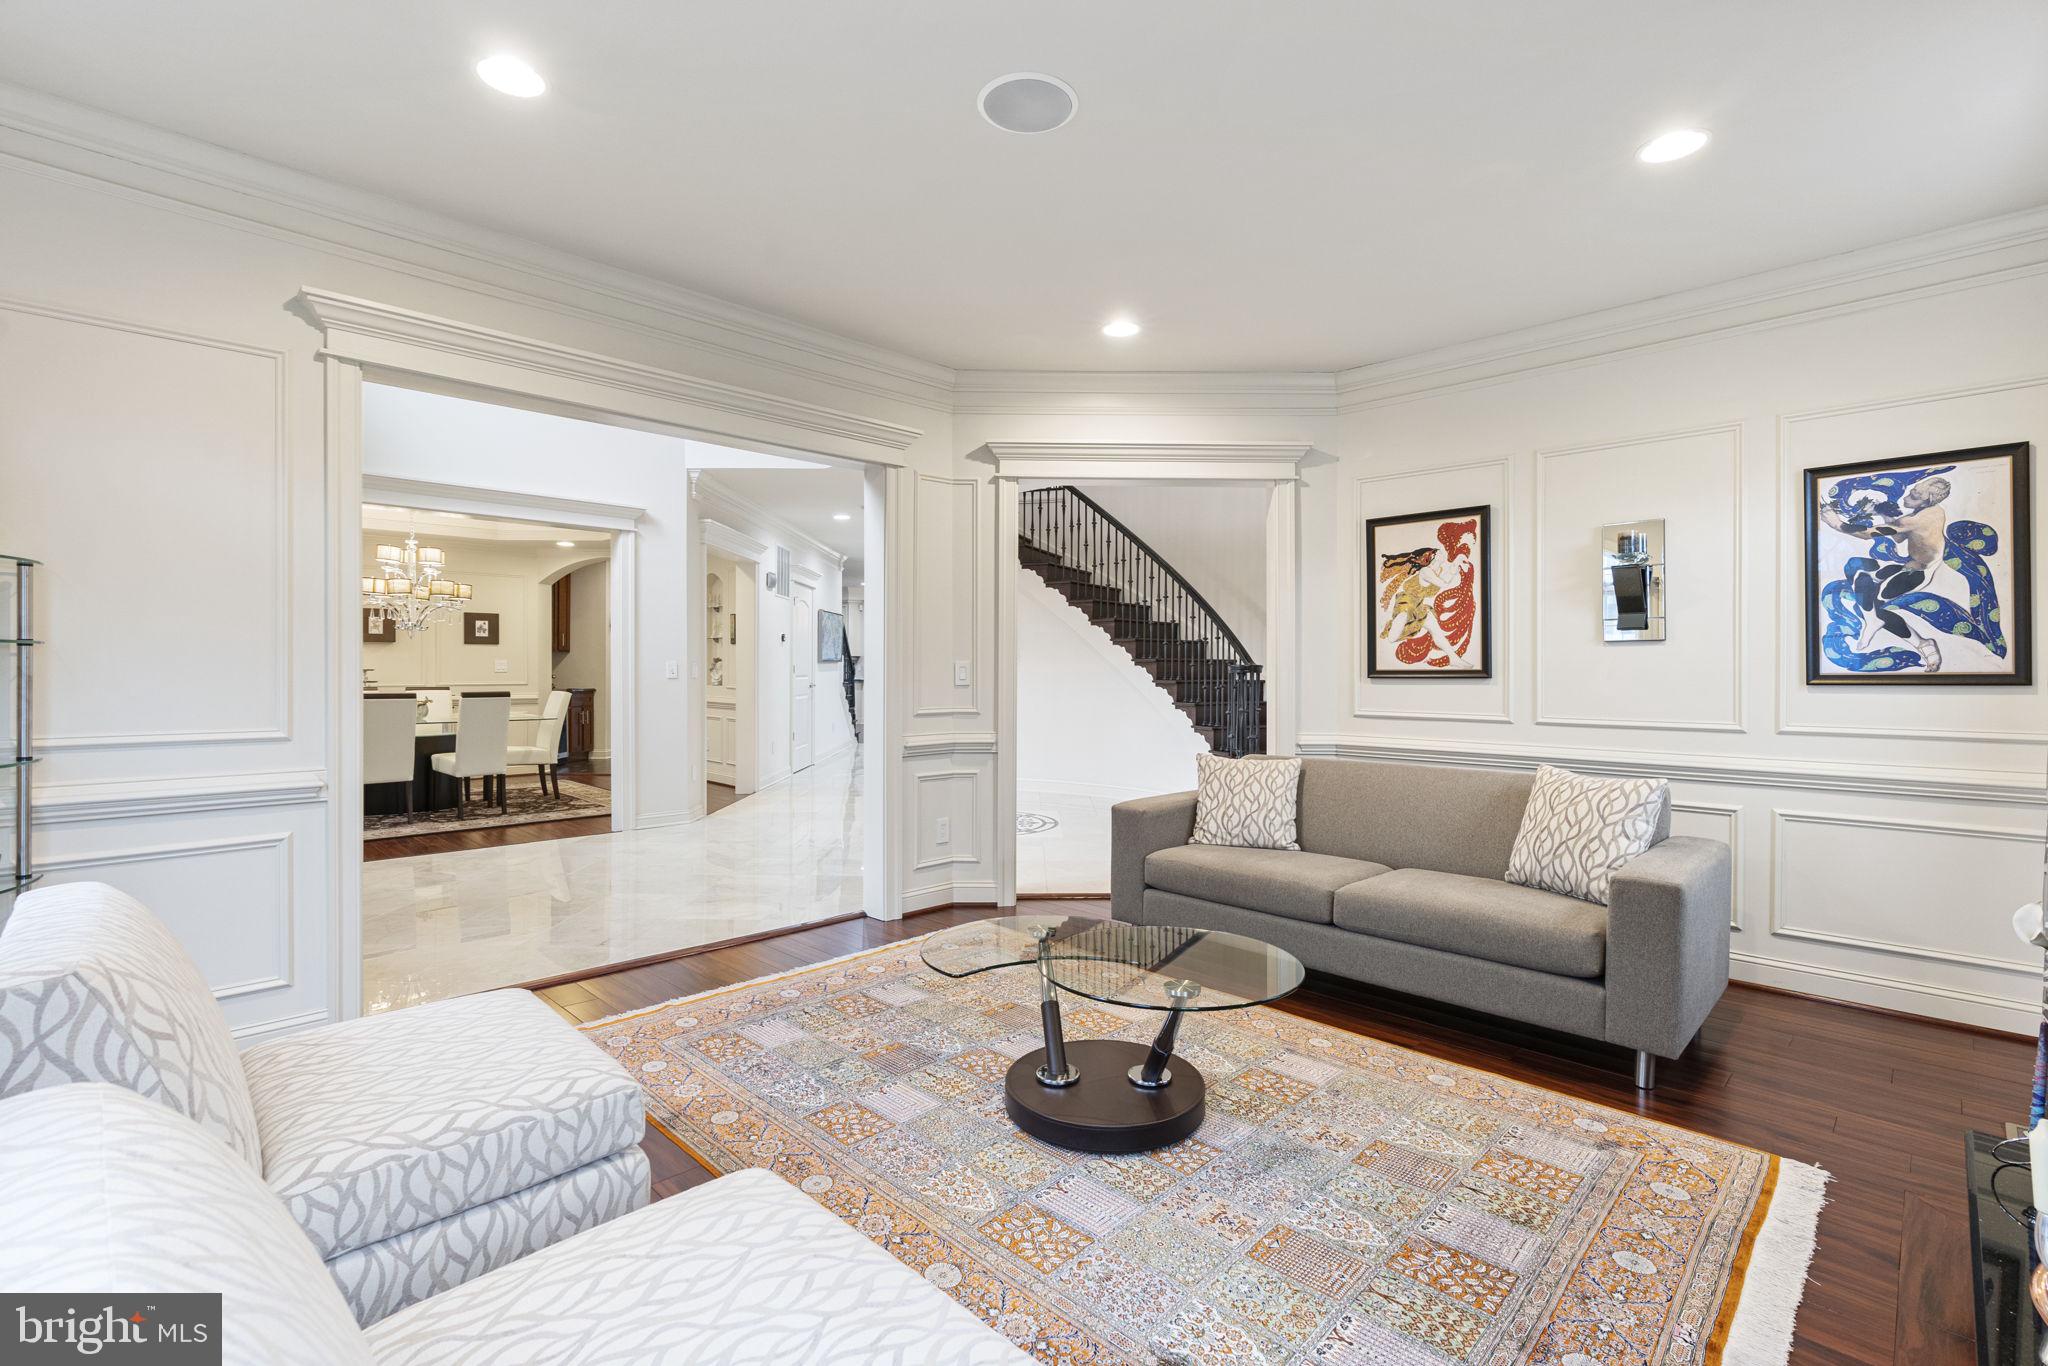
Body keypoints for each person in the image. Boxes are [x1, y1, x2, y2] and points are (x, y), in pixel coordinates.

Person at [1818, 474, 1952, 670]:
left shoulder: (1918, 519)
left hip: (1917, 572)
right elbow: (1899, 537)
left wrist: (1836, 523)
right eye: (1912, 490)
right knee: (1854, 567)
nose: (1907, 496)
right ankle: (1886, 626)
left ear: (1927, 500)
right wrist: (1883, 513)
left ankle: (1915, 641)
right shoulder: (1933, 510)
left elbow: (1867, 534)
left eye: (1914, 496)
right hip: (1912, 565)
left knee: (1872, 603)